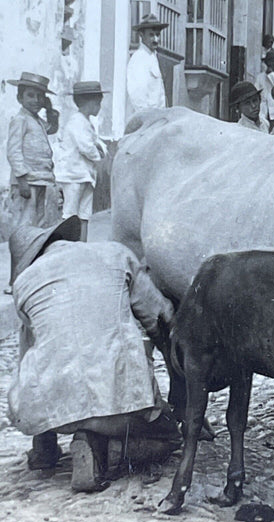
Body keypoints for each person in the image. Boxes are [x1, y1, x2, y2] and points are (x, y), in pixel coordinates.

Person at [7, 216, 182, 490]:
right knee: (170, 438)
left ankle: (56, 449)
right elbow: (160, 316)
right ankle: (108, 450)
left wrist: (43, 444)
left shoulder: (25, 284)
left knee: (43, 356)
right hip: (123, 400)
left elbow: (30, 356)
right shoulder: (115, 253)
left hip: (56, 409)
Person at [6, 72, 60, 230]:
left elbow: (52, 129)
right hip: (27, 182)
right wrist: (22, 180)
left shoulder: (36, 120)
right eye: (30, 95)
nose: (36, 100)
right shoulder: (20, 120)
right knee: (25, 222)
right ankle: (22, 253)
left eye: (40, 96)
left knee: (39, 221)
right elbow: (13, 151)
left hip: (41, 179)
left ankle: (36, 253)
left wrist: (50, 110)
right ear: (19, 99)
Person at [56, 82, 108, 242]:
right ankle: (67, 245)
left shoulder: (86, 123)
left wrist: (99, 150)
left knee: (84, 214)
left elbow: (101, 146)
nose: (99, 107)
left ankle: (81, 245)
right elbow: (87, 147)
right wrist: (98, 153)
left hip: (85, 176)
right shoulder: (76, 122)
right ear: (89, 103)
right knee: (70, 214)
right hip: (73, 175)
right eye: (98, 103)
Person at [126, 13, 168, 113]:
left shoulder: (152, 57)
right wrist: (147, 120)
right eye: (151, 35)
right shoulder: (139, 58)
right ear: (141, 35)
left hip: (157, 117)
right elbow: (137, 95)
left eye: (157, 35)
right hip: (147, 119)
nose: (156, 39)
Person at [255, 50, 274, 132]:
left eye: (272, 61)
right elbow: (256, 90)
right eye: (269, 61)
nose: (270, 63)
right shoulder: (260, 77)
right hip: (264, 107)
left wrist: (271, 74)